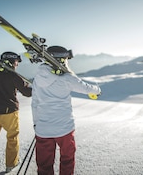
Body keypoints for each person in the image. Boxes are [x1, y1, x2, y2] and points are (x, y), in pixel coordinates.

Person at [31, 46, 101, 175]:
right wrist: (97, 90)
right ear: (61, 60)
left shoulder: (38, 78)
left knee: (44, 164)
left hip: (43, 128)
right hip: (64, 128)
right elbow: (86, 88)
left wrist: (36, 123)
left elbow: (34, 103)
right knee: (67, 160)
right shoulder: (67, 78)